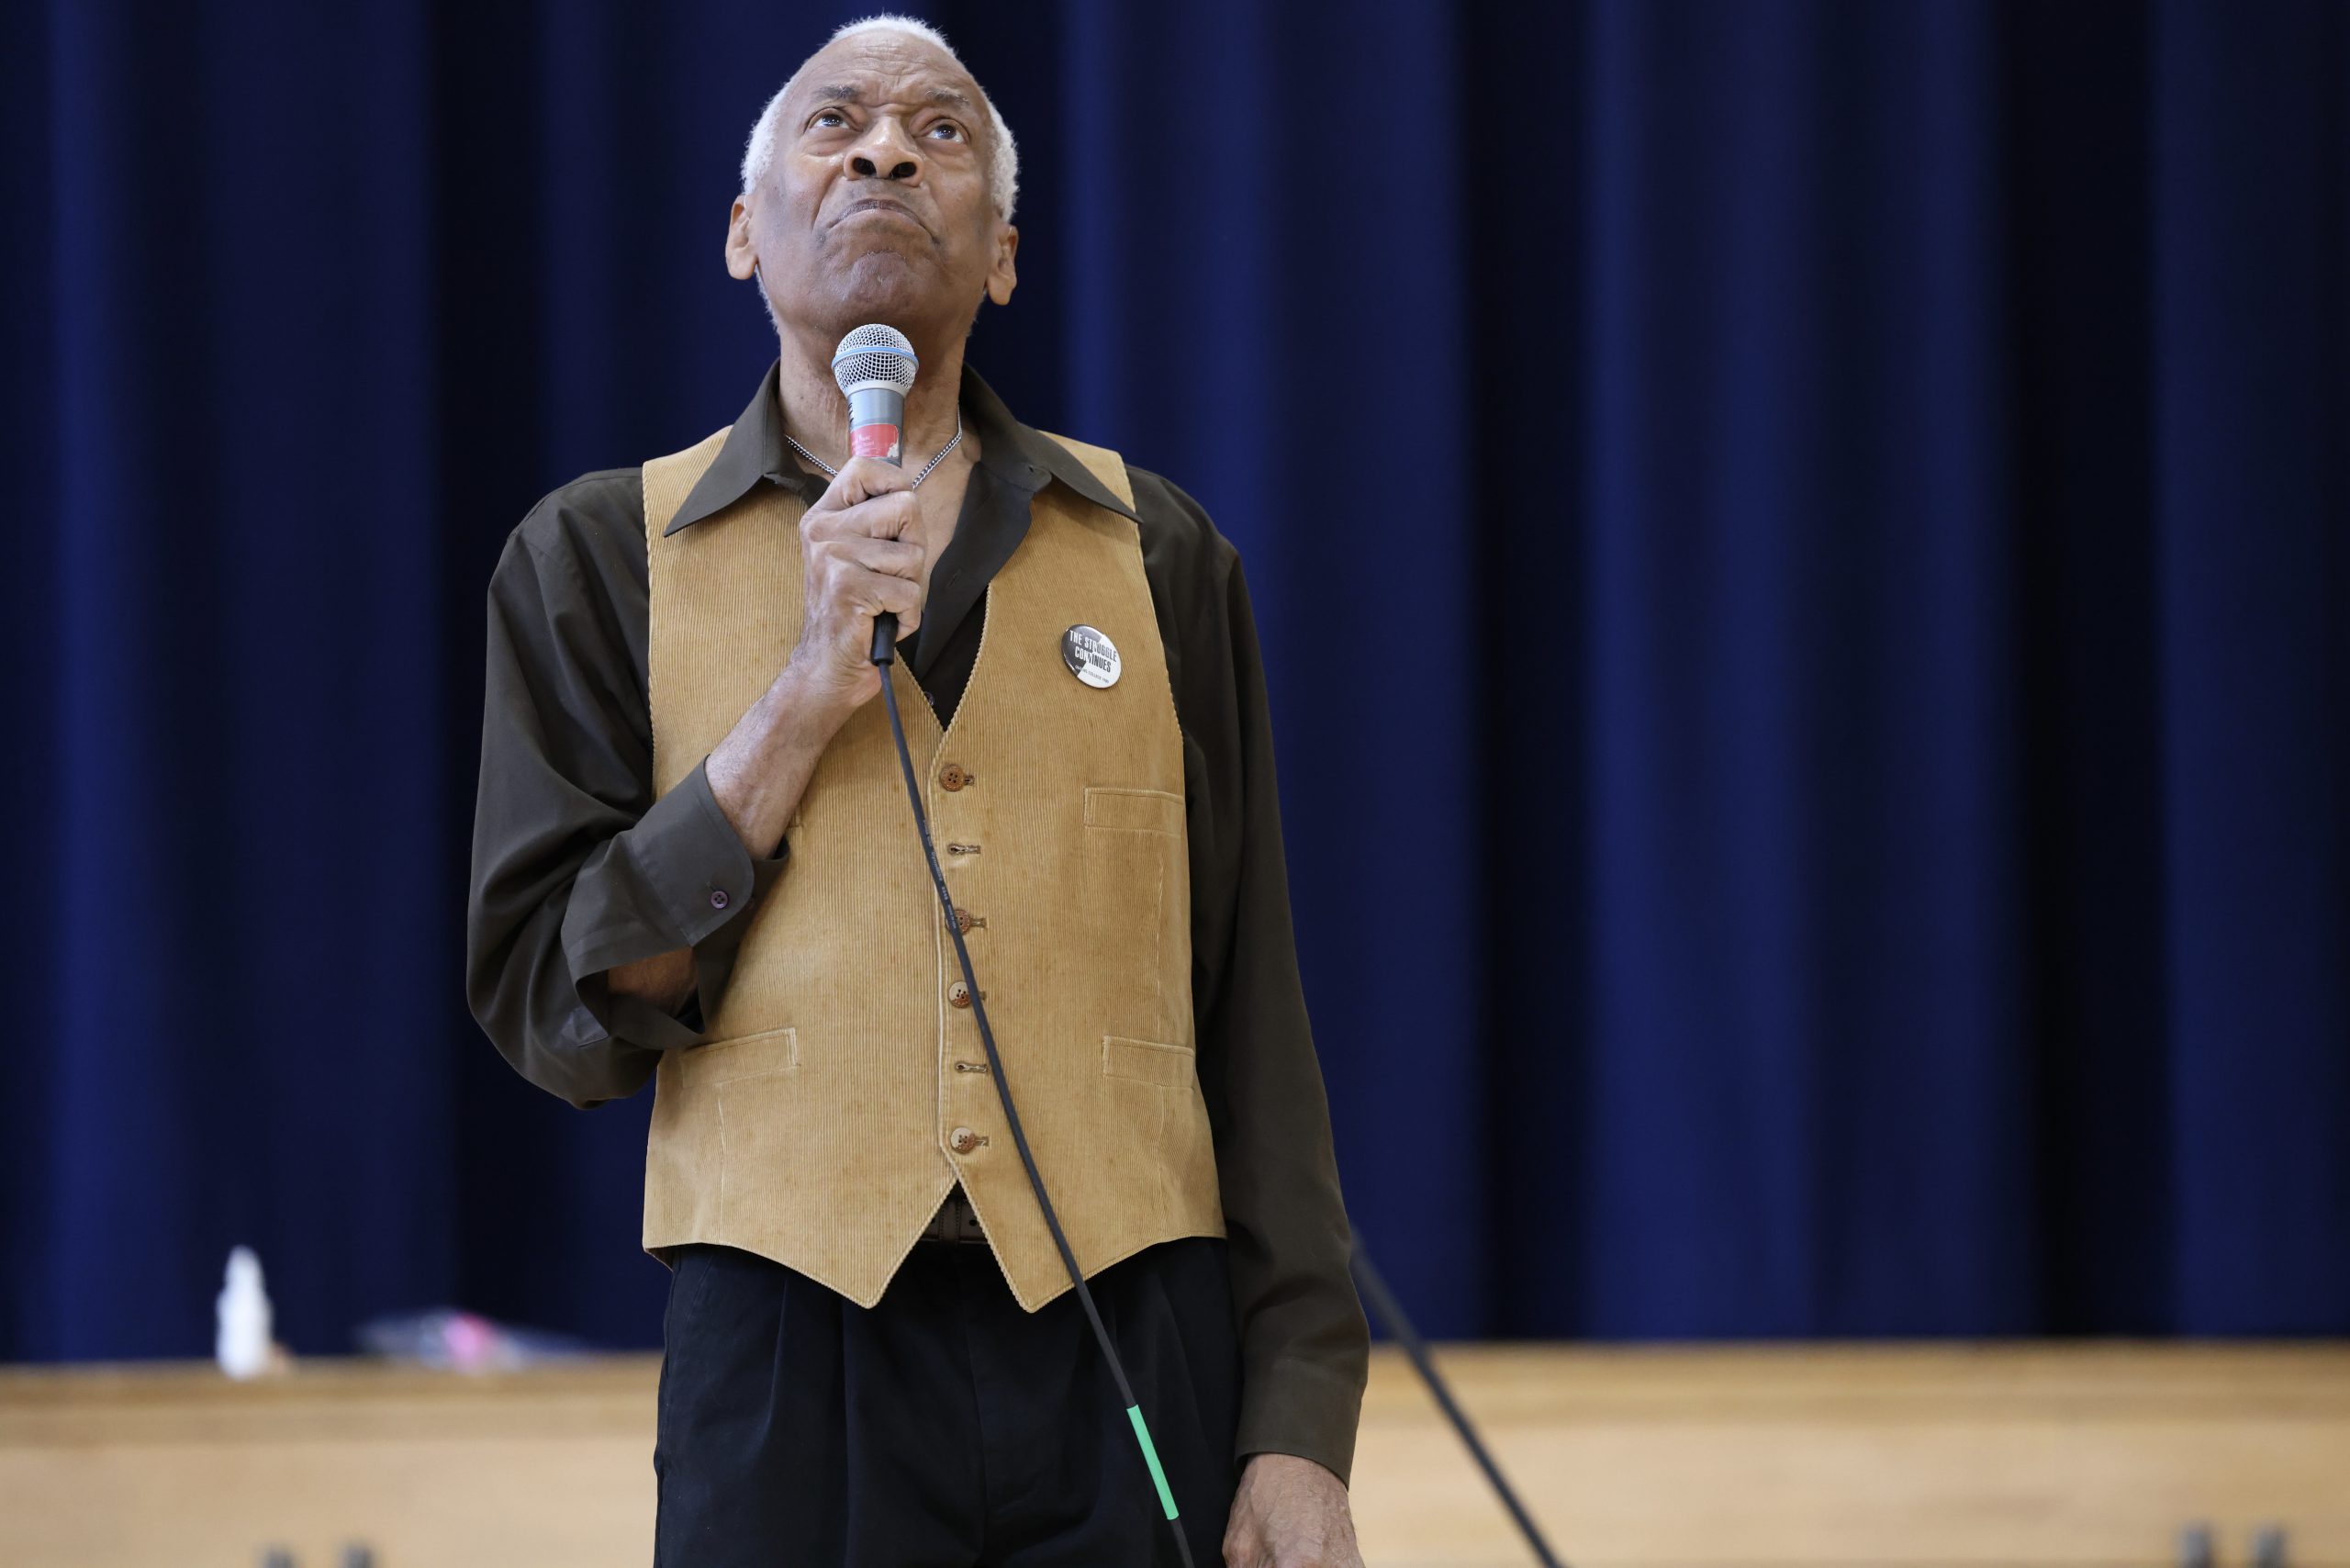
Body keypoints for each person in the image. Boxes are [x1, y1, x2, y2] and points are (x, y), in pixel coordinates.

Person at [465, 15, 1369, 1565]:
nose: (886, 148)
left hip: (1126, 1338)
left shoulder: (1156, 554)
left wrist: (1298, 1422)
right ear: (745, 235)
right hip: (786, 1359)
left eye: (940, 131)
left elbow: (1254, 1019)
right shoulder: (601, 554)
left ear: (1004, 256)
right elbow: (566, 1012)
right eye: (836, 123)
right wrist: (803, 694)